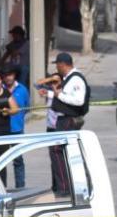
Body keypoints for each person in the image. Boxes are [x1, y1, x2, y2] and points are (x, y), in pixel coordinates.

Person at [37, 52, 89, 196]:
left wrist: (58, 95)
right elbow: (64, 96)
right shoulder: (68, 79)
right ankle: (62, 186)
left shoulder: (76, 79)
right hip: (63, 120)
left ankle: (64, 188)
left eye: (57, 65)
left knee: (58, 151)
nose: (57, 68)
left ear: (62, 64)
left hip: (68, 120)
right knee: (60, 153)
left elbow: (79, 100)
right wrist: (51, 94)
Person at [3, 66, 30, 187]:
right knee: (0, 161)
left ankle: (20, 187)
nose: (8, 77)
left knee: (18, 160)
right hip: (2, 130)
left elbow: (26, 108)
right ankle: (0, 187)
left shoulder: (23, 89)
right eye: (6, 75)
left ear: (14, 75)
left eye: (10, 74)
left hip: (17, 130)